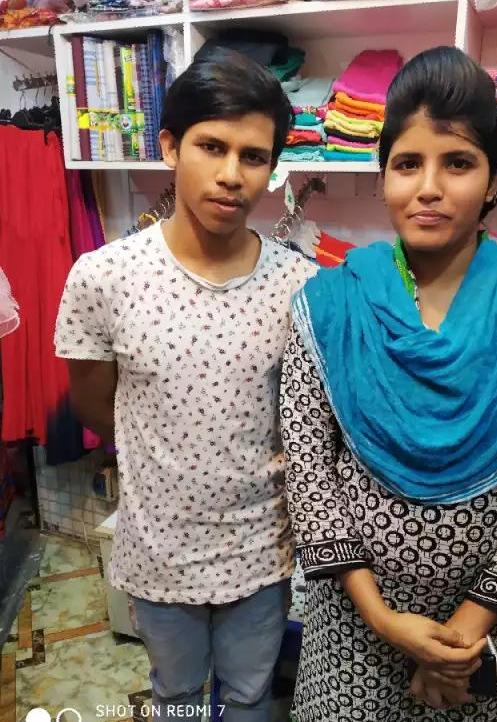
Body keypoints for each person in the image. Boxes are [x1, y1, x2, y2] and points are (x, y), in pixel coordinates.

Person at [280, 46, 497, 722]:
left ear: (494, 179)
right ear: (383, 177)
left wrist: (463, 633)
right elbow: (308, 468)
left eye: (457, 163)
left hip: (477, 633)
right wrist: (381, 617)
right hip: (353, 623)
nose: (428, 187)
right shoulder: (332, 304)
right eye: (407, 164)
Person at [55, 47, 315, 722]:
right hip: (159, 547)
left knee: (250, 695)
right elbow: (96, 403)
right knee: (175, 695)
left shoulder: (300, 286)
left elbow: (303, 421)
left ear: (271, 168)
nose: (231, 174)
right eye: (211, 147)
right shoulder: (104, 278)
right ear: (170, 146)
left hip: (260, 552)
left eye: (253, 156)